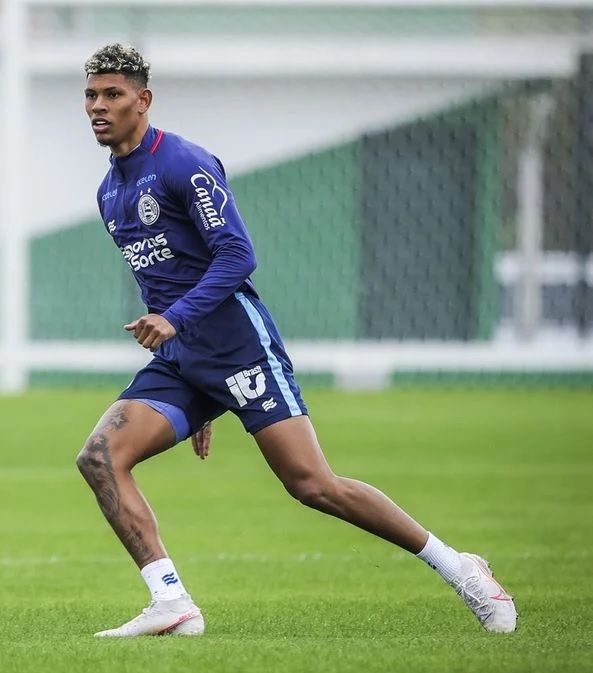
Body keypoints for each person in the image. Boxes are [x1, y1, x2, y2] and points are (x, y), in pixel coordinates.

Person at [75, 43, 517, 638]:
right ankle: (171, 603)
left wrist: (178, 320)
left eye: (112, 95)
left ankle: (460, 567)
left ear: (143, 101)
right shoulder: (109, 193)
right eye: (91, 95)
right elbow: (158, 276)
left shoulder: (184, 164)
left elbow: (237, 255)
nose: (97, 107)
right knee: (100, 458)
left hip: (236, 345)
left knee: (313, 485)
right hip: (182, 361)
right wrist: (195, 393)